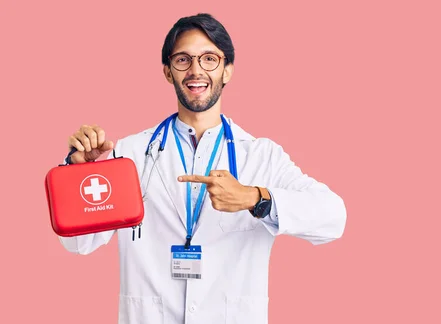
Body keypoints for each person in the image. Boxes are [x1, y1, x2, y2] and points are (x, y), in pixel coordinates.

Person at [57, 12, 347, 324]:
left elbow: (334, 219)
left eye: (209, 58)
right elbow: (78, 243)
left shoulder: (261, 156)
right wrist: (78, 172)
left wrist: (256, 198)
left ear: (228, 70)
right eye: (183, 59)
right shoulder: (130, 154)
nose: (196, 70)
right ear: (168, 72)